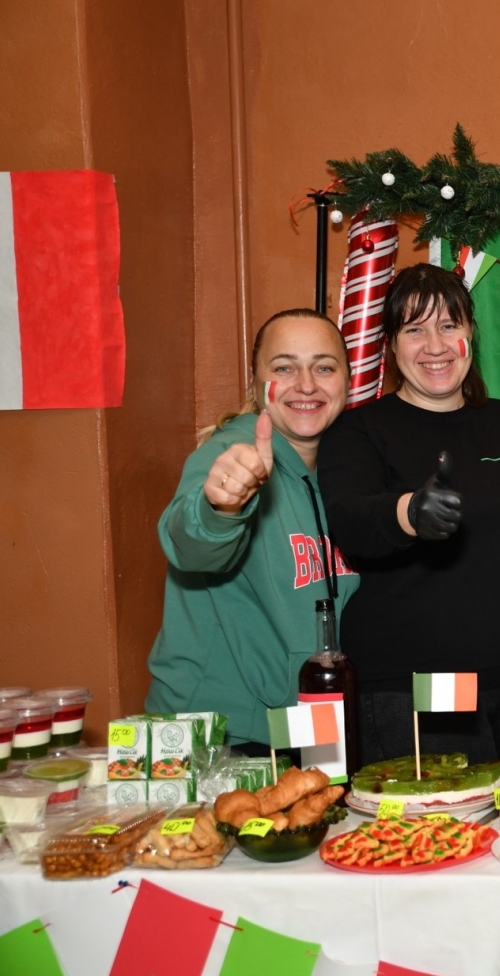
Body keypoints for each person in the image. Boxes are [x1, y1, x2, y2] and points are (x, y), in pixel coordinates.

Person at [317, 263, 500, 765]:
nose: (435, 346)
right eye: (414, 330)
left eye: (449, 326)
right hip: (419, 692)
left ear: (471, 335)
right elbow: (351, 521)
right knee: (446, 820)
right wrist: (409, 512)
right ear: (391, 345)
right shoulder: (359, 432)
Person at [146, 309, 357, 751]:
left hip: (309, 725)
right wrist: (221, 508)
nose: (306, 384)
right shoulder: (232, 452)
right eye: (284, 368)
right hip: (220, 736)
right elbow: (190, 545)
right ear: (255, 382)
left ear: (347, 380)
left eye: (324, 367)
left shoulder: (350, 470)